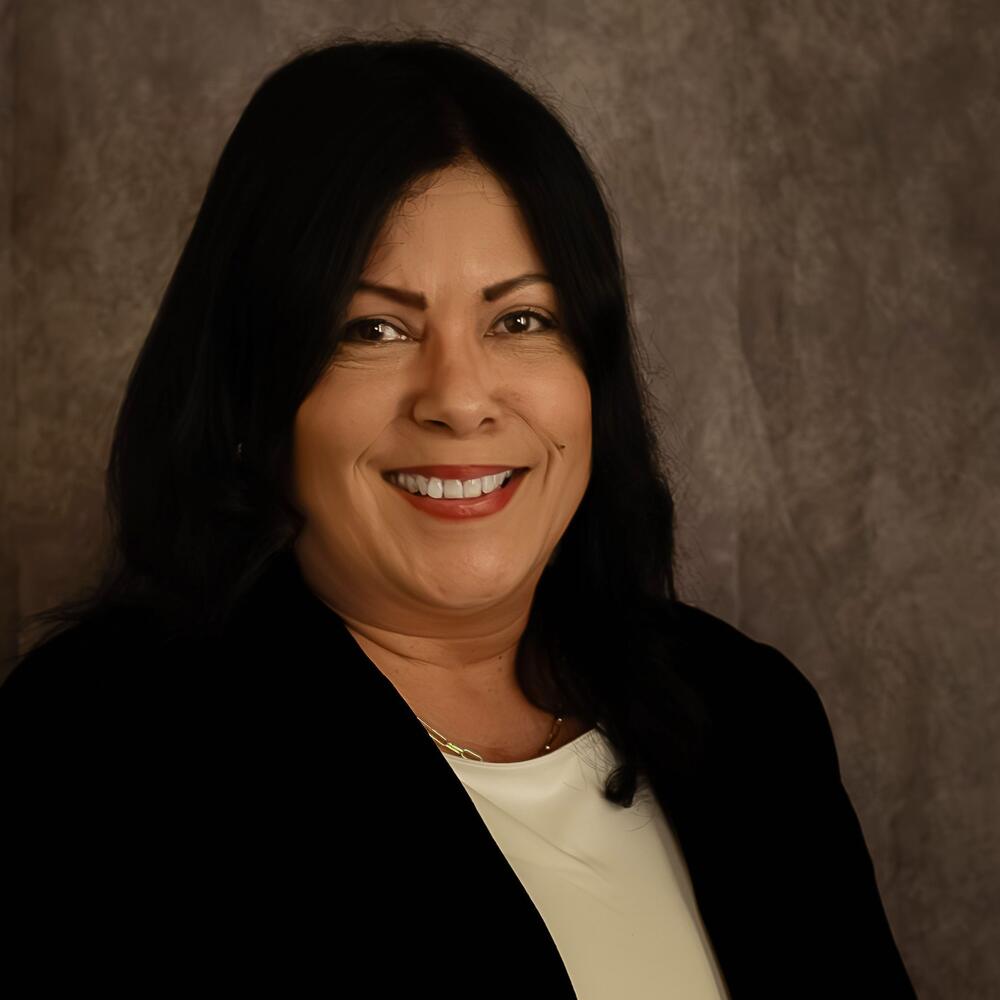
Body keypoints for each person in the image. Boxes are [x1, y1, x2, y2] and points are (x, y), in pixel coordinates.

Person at [0, 33, 917, 997]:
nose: (460, 397)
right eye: (375, 329)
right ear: (253, 398)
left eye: (520, 320)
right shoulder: (90, 760)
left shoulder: (749, 717)